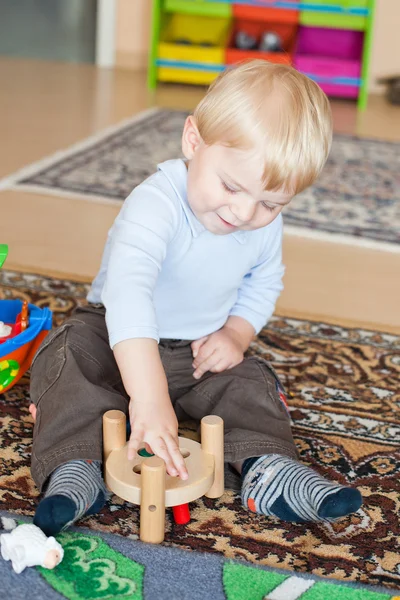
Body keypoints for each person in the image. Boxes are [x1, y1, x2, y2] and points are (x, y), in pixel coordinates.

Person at [30, 60, 362, 536]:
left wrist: (236, 332)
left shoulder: (259, 221)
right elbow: (129, 292)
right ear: (193, 141)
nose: (245, 211)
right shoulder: (155, 203)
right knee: (67, 355)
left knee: (250, 380)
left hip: (197, 349)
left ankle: (269, 470)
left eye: (271, 203)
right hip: (115, 332)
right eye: (231, 186)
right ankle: (75, 466)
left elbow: (264, 281)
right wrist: (146, 396)